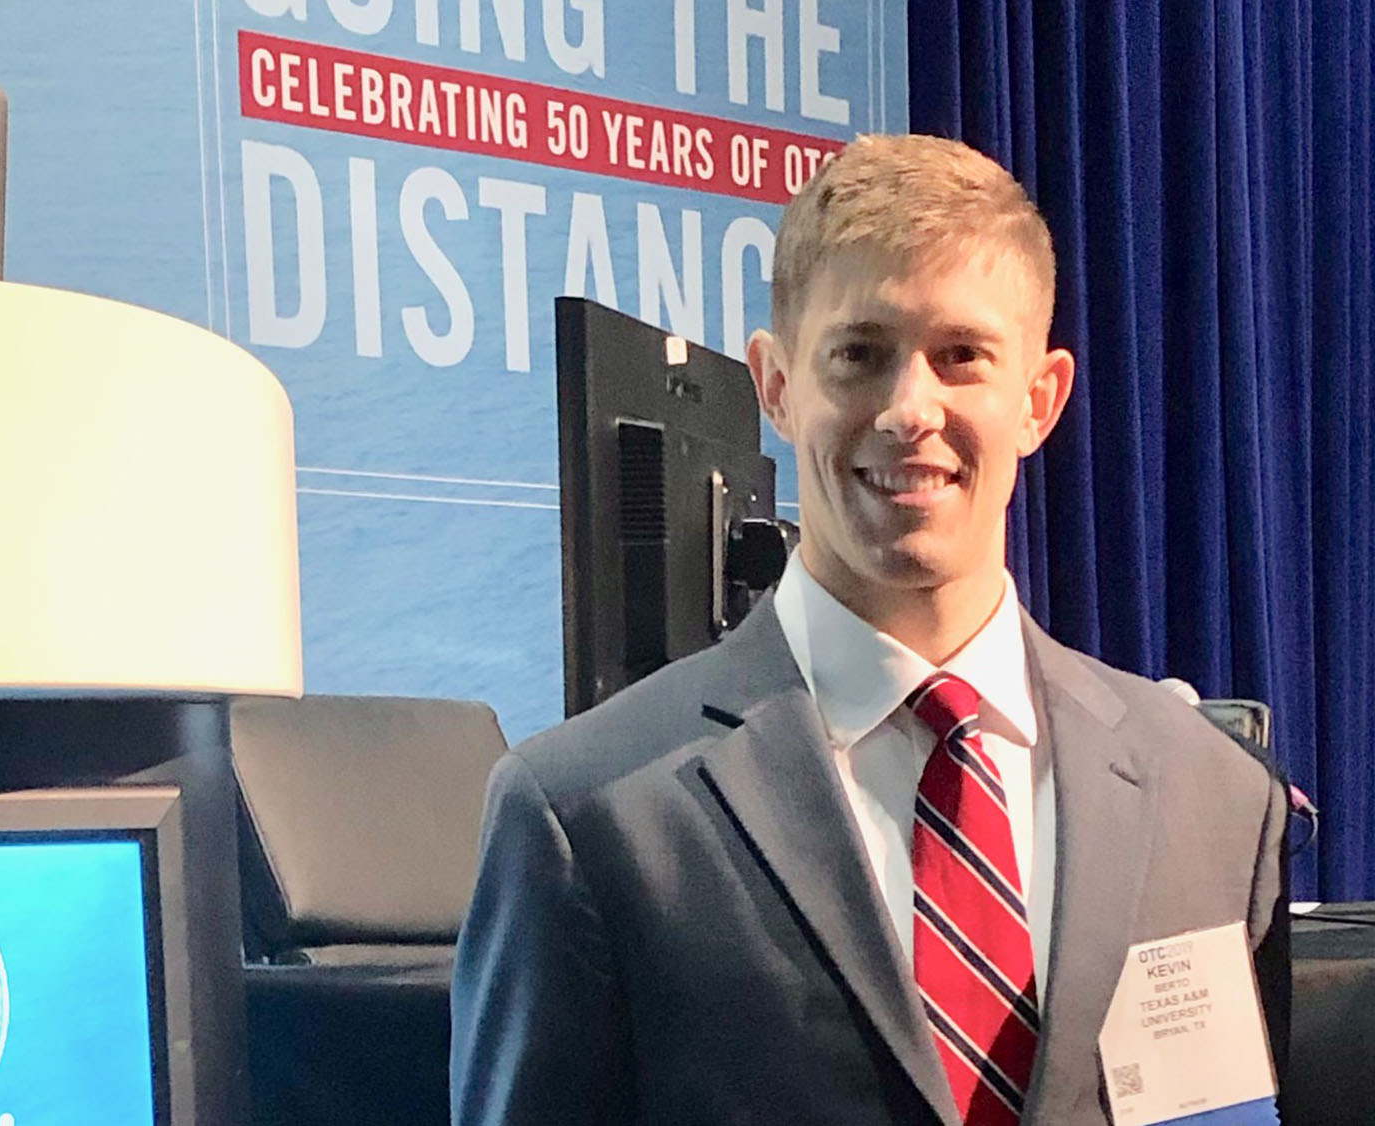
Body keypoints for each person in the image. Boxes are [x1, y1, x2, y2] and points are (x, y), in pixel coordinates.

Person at [450, 134, 1289, 1126]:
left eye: (959, 356)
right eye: (858, 355)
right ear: (774, 384)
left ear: (1038, 397)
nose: (908, 408)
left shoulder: (1210, 801)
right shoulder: (589, 816)